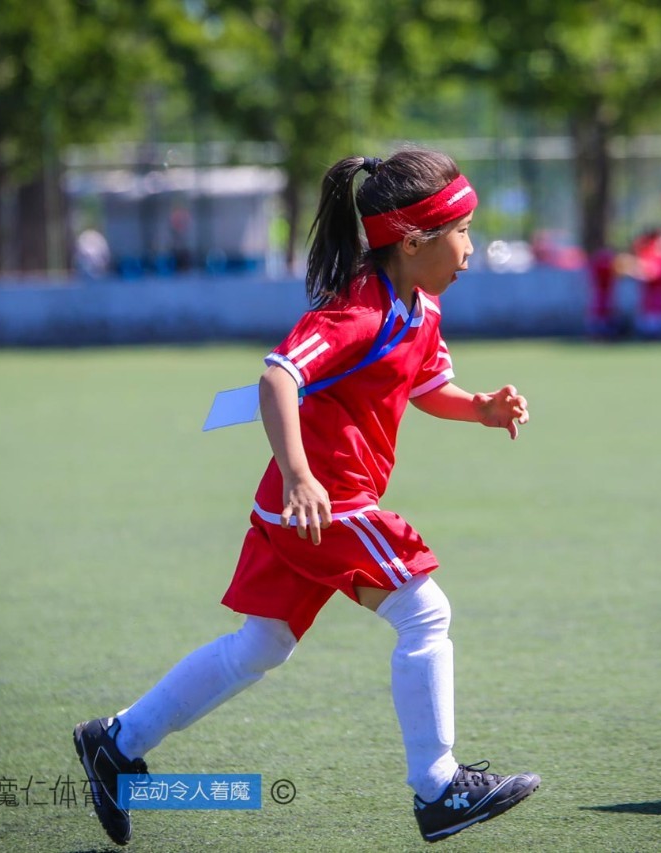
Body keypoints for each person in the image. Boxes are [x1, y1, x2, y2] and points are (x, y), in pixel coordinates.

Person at [73, 148, 540, 847]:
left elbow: (423, 386)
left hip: (302, 510)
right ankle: (438, 786)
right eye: (462, 231)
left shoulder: (421, 306)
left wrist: (480, 407)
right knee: (425, 610)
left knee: (260, 646)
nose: (471, 248)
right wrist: (299, 472)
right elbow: (277, 379)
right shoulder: (357, 309)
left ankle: (116, 740)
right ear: (412, 240)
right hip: (327, 501)